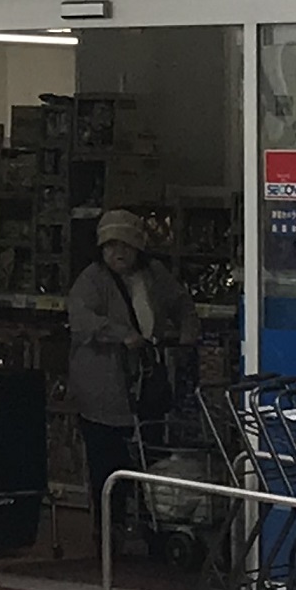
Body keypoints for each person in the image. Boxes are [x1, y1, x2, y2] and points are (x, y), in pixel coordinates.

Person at [66, 208, 198, 559]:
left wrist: (187, 337)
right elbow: (80, 318)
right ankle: (108, 532)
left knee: (151, 457)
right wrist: (120, 334)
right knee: (106, 462)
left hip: (146, 384)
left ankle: (154, 527)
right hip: (102, 387)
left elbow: (182, 303)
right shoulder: (92, 280)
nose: (118, 253)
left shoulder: (154, 275)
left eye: (124, 245)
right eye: (110, 246)